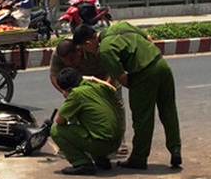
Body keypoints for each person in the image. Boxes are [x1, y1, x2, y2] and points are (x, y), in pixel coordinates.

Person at [73, 22, 182, 170]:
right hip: (162, 65)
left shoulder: (105, 50)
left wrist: (138, 90)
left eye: (84, 49)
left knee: (143, 119)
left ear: (88, 43)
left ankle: (139, 158)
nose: (87, 52)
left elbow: (121, 77)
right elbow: (149, 38)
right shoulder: (121, 26)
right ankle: (175, 149)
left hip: (142, 74)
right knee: (168, 109)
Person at [49, 38, 129, 156]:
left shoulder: (94, 49)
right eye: (67, 62)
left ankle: (119, 141)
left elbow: (112, 69)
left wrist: (104, 88)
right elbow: (53, 74)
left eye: (72, 59)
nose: (70, 64)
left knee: (115, 106)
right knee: (75, 109)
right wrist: (64, 91)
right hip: (79, 82)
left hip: (105, 78)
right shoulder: (58, 54)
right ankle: (75, 142)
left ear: (79, 50)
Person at [50, 67, 124, 175]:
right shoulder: (96, 86)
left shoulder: (76, 94)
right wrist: (92, 78)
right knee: (92, 123)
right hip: (116, 141)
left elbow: (60, 121)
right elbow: (112, 88)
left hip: (102, 144)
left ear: (68, 88)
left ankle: (82, 163)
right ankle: (101, 159)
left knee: (56, 131)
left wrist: (68, 97)